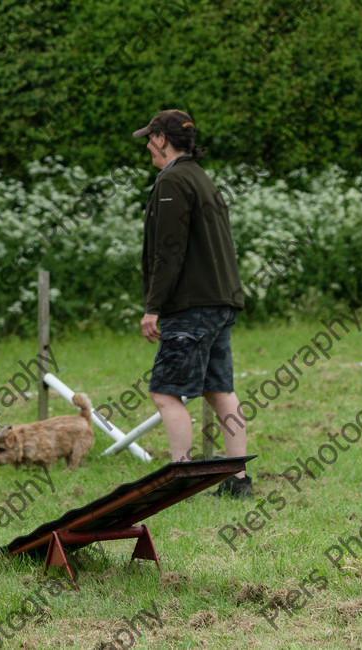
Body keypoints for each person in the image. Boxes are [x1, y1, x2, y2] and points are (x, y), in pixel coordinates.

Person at [132, 109, 251, 497]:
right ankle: (238, 481)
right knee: (219, 389)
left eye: (150, 139)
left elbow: (169, 250)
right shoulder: (201, 178)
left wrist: (153, 306)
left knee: (165, 392)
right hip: (219, 301)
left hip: (191, 305)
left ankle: (179, 479)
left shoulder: (173, 181)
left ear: (163, 140)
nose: (148, 147)